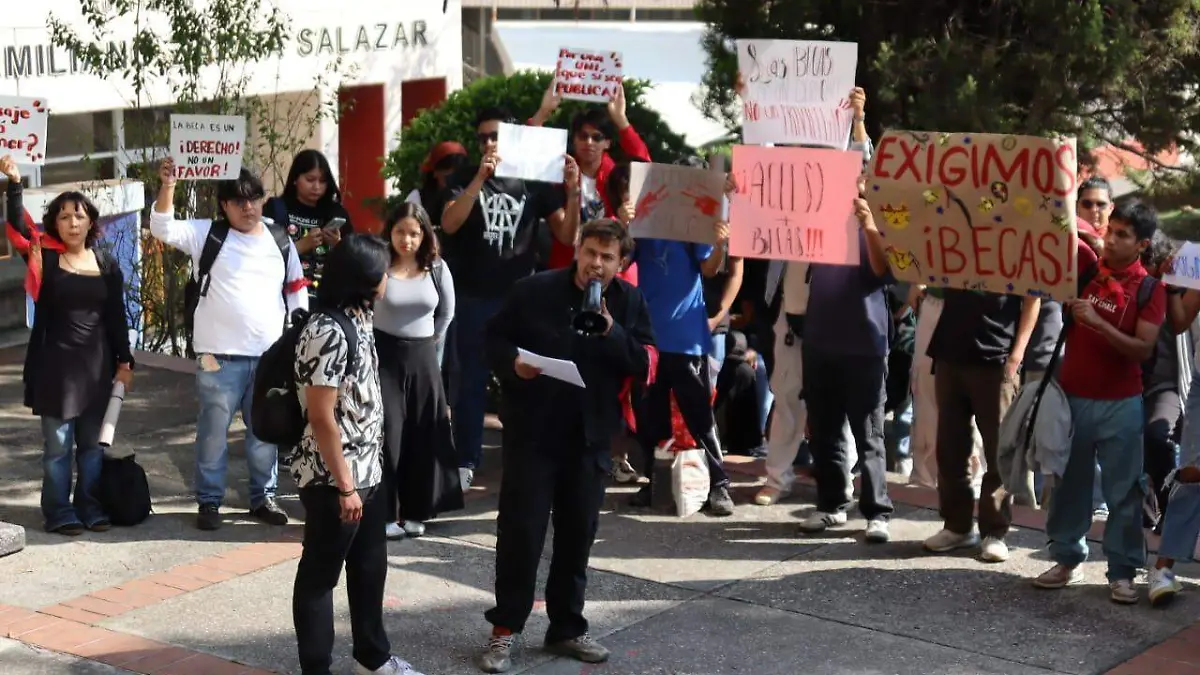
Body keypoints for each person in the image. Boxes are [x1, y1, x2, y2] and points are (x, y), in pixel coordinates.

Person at [477, 219, 655, 674]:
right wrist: (515, 365)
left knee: (577, 535)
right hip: (533, 433)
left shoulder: (630, 301)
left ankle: (567, 627)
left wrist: (613, 331)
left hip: (590, 436)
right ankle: (505, 631)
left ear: (621, 264)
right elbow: (492, 338)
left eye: (608, 258)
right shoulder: (533, 290)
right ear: (578, 249)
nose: (596, 264)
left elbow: (645, 361)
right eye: (591, 252)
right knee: (522, 533)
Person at [290, 233, 424, 675]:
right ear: (364, 278)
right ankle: (316, 668)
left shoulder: (360, 315)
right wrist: (346, 486)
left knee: (369, 568)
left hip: (368, 471)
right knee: (320, 576)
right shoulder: (326, 330)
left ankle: (373, 656)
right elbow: (322, 417)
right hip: (335, 478)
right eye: (383, 270)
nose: (388, 276)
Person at [151, 158, 308, 530]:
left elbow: (296, 287)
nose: (247, 207)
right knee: (212, 433)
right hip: (215, 358)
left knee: (264, 432)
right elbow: (161, 227)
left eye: (253, 199)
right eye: (238, 201)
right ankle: (209, 502)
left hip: (268, 357)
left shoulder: (279, 238)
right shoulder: (207, 233)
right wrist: (169, 184)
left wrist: (298, 328)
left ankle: (263, 498)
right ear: (224, 205)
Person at [440, 106, 580, 489]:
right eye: (483, 136)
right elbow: (449, 223)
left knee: (528, 377)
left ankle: (530, 458)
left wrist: (573, 192)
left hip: (520, 299)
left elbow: (567, 236)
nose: (489, 143)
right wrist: (480, 180)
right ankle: (467, 459)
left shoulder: (534, 182)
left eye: (496, 136)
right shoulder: (465, 176)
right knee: (470, 381)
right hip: (473, 297)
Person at [1034, 201, 1165, 604]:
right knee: (1069, 484)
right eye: (1110, 229)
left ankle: (1123, 571)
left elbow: (1142, 349)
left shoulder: (1149, 289)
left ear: (1142, 244)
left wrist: (1098, 323)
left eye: (1123, 234)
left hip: (1121, 405)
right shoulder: (1087, 266)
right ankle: (1065, 558)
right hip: (1071, 399)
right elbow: (1050, 227)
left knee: (1123, 491)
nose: (1111, 239)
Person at [2, 155, 134, 536]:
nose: (72, 222)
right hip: (55, 370)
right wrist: (14, 183)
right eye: (64, 216)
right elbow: (15, 226)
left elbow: (116, 317)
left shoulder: (106, 263)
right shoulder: (44, 257)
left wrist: (125, 362)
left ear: (91, 220)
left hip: (97, 368)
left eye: (79, 215)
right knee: (58, 449)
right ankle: (58, 511)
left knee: (92, 448)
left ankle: (89, 506)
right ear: (54, 224)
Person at [797, 177, 896, 542]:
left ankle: (876, 511)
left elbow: (884, 270)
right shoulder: (818, 221)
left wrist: (869, 225)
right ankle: (831, 505)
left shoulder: (883, 222)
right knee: (824, 431)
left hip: (864, 346)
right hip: (820, 341)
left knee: (868, 433)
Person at [374, 202, 462, 540]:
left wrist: (432, 343)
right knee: (388, 434)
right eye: (400, 232)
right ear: (390, 232)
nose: (406, 240)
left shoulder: (437, 267)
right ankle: (384, 513)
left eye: (414, 233)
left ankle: (417, 510)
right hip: (386, 357)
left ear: (424, 234)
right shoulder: (380, 263)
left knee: (423, 434)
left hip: (424, 357)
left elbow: (447, 312)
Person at [529, 82, 651, 270]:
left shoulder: (617, 176)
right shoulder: (559, 171)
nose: (589, 142)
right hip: (566, 269)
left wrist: (621, 119)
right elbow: (520, 156)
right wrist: (543, 112)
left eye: (597, 137)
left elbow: (646, 167)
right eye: (583, 136)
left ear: (608, 143)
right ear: (574, 139)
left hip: (609, 273)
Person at [266, 150, 354, 303]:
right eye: (310, 179)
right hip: (283, 297)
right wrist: (300, 246)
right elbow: (262, 255)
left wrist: (338, 245)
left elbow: (355, 260)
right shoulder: (276, 209)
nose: (317, 187)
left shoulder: (336, 213)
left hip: (327, 299)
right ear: (295, 179)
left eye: (322, 181)